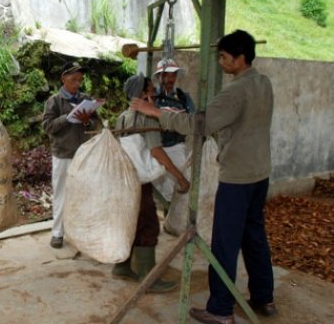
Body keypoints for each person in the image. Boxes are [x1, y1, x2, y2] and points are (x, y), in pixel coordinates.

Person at [131, 30, 276, 324]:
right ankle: (264, 298)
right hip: (259, 172)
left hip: (237, 177)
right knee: (254, 236)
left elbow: (200, 124)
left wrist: (156, 112)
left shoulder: (236, 91)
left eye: (223, 58)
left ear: (239, 59)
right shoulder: (263, 83)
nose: (221, 63)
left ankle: (221, 310)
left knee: (225, 241)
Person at [111, 73, 189, 292]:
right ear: (143, 94)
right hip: (140, 181)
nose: (154, 93)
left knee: (131, 221)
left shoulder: (123, 117)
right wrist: (180, 177)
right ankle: (147, 277)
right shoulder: (147, 117)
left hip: (126, 179)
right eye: (151, 90)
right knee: (148, 225)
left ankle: (122, 266)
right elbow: (156, 152)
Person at [41, 61, 98, 249]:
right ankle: (58, 233)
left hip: (83, 155)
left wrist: (87, 120)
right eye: (73, 79)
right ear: (63, 79)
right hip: (63, 154)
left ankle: (81, 231)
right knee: (61, 194)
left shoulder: (85, 98)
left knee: (84, 194)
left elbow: (95, 125)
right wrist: (67, 117)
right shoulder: (54, 101)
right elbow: (47, 126)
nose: (77, 83)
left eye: (80, 80)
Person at [151, 58, 195, 203]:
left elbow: (192, 119)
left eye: (173, 75)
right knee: (156, 186)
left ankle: (171, 215)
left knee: (177, 184)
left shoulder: (183, 97)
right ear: (159, 77)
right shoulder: (151, 96)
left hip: (176, 146)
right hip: (155, 146)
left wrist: (180, 116)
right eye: (166, 75)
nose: (170, 79)